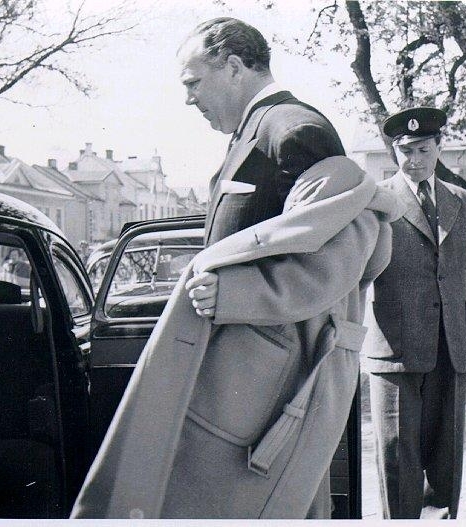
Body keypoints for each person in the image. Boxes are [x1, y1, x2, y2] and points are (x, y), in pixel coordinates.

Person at [71, 17, 403, 519]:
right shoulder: (261, 130)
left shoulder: (295, 132)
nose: (189, 99)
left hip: (267, 384)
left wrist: (235, 295)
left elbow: (340, 257)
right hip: (249, 378)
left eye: (193, 82)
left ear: (233, 67)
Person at [363, 107, 466, 519]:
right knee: (398, 459)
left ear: (439, 148)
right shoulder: (376, 201)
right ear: (394, 152)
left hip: (452, 348)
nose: (414, 159)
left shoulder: (464, 202)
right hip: (395, 350)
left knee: (445, 461)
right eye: (405, 151)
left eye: (422, 149)